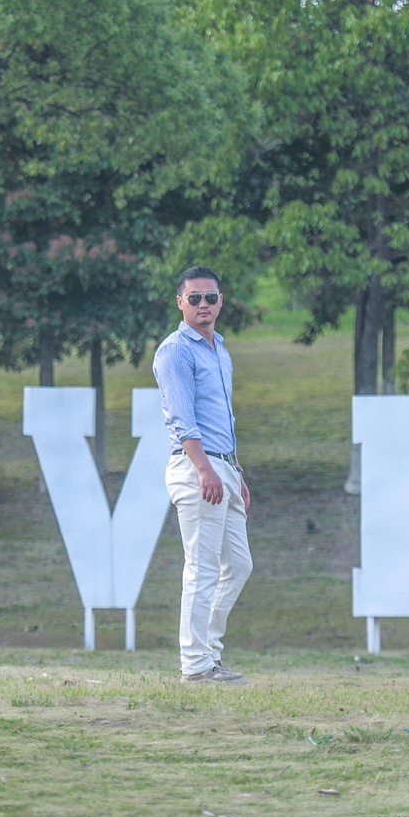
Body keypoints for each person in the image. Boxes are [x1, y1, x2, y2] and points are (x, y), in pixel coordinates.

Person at [152, 265, 253, 684]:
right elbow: (181, 418)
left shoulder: (219, 351)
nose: (203, 305)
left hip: (222, 465)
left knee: (240, 565)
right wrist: (204, 468)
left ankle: (207, 653)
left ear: (221, 301)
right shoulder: (176, 350)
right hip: (197, 466)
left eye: (210, 297)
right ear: (180, 303)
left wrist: (234, 471)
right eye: (194, 298)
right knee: (202, 566)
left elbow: (220, 419)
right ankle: (195, 666)